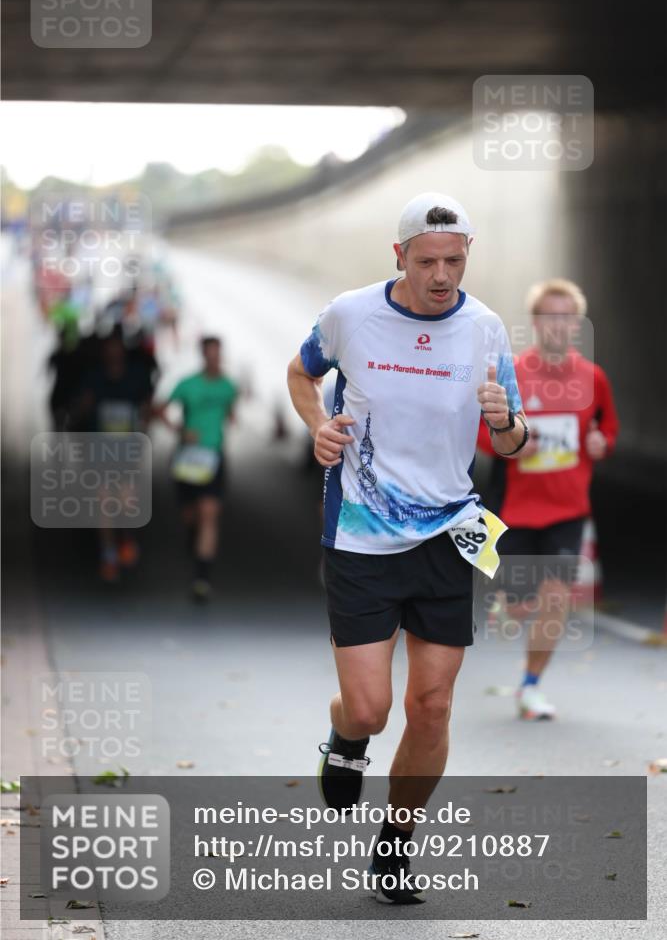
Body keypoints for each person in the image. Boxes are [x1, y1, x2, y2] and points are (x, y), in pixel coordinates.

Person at [287, 192, 529, 904]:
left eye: (453, 261)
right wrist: (315, 425)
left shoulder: (484, 330)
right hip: (360, 535)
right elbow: (302, 374)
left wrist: (504, 420)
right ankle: (346, 736)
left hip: (448, 535)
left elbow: (513, 441)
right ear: (399, 257)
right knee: (370, 708)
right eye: (426, 261)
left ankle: (394, 848)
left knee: (431, 707)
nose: (441, 275)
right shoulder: (352, 315)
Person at [477, 279, 619, 720]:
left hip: (568, 508)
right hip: (517, 507)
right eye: (549, 317)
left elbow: (607, 429)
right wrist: (515, 442)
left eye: (566, 318)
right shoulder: (513, 373)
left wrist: (601, 444)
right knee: (521, 605)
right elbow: (482, 432)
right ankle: (512, 603)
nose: (558, 326)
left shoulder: (592, 378)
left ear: (577, 324)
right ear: (536, 323)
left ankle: (531, 685)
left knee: (556, 600)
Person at [154, 336, 239, 602]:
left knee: (210, 513)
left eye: (217, 354)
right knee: (191, 515)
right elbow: (160, 409)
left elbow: (230, 413)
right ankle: (192, 535)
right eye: (209, 354)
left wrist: (228, 421)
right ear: (203, 355)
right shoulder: (187, 385)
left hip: (213, 457)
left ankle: (202, 578)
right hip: (188, 457)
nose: (214, 358)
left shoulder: (229, 387)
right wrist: (178, 429)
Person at [74, 329, 156, 582]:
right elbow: (81, 409)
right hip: (100, 449)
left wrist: (144, 430)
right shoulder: (93, 378)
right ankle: (109, 554)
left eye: (117, 348)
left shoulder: (136, 377)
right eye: (108, 349)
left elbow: (147, 407)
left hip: (127, 449)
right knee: (104, 503)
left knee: (126, 500)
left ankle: (126, 538)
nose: (113, 354)